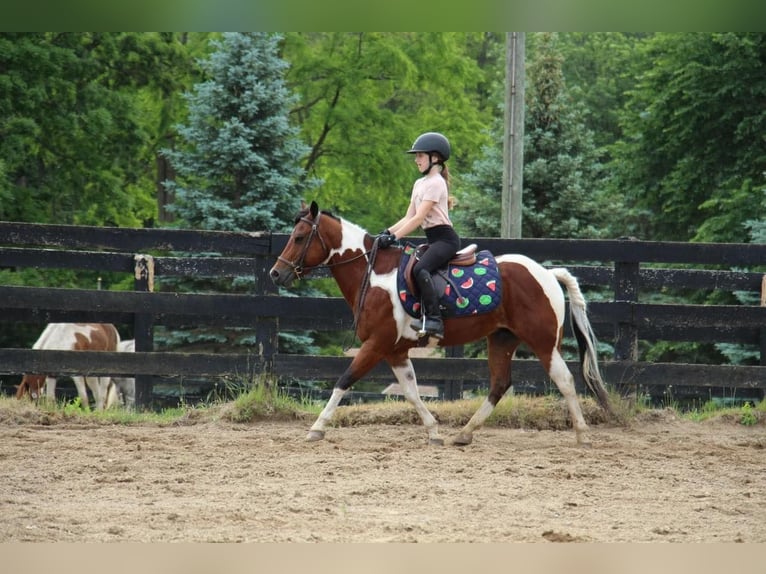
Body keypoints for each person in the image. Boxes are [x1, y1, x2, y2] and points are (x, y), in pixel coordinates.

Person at [377, 131, 460, 339]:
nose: (416, 160)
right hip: (433, 239)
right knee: (411, 266)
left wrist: (394, 238)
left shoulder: (436, 183)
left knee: (421, 268)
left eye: (420, 156)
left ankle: (435, 320)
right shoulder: (419, 184)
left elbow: (418, 219)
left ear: (435, 157)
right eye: (416, 156)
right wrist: (388, 232)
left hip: (445, 240)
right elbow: (408, 217)